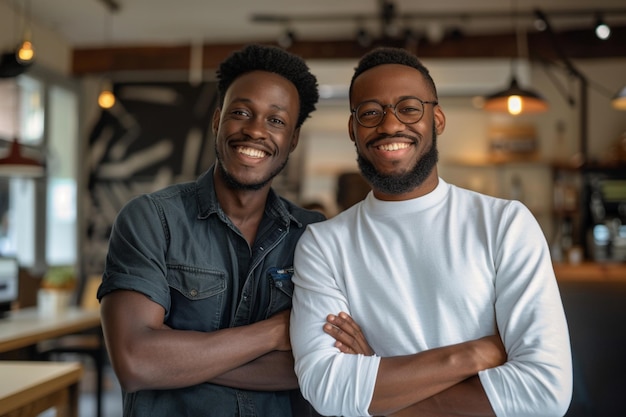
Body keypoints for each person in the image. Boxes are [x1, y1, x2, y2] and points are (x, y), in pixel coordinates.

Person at [290, 47, 573, 417]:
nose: (390, 125)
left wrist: (379, 387)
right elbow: (327, 387)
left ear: (436, 119)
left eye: (409, 108)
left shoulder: (505, 224)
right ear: (353, 129)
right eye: (370, 112)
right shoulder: (324, 245)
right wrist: (475, 353)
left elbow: (545, 390)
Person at [97, 44, 325, 417]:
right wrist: (274, 333)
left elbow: (324, 368)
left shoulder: (316, 236)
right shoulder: (151, 219)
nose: (254, 130)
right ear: (217, 120)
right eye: (241, 112)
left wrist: (180, 362)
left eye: (276, 120)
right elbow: (136, 362)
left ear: (293, 140)